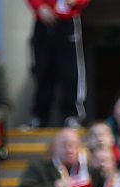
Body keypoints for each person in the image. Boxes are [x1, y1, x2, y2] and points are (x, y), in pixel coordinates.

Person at [26, 0, 91, 128]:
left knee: (71, 71)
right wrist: (39, 7)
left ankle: (73, 115)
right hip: (43, 21)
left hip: (68, 21)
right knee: (42, 71)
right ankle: (40, 117)